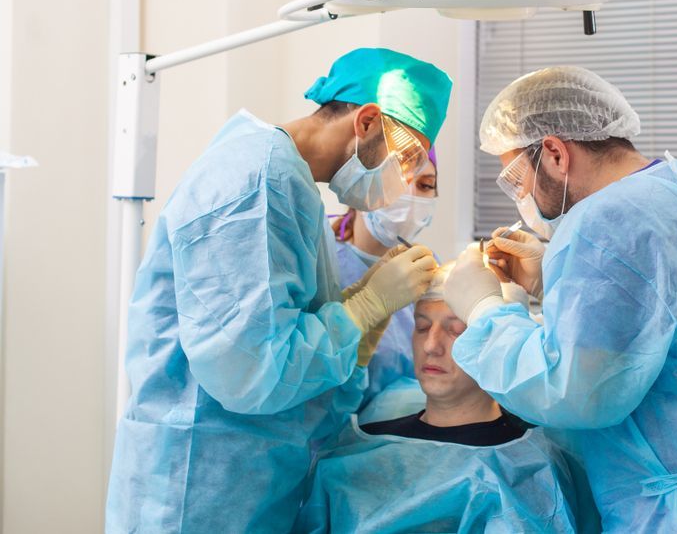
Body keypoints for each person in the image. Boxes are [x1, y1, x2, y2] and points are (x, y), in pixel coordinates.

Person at [443, 66, 677, 533]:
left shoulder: (606, 222)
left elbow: (572, 391)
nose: (519, 194)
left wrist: (487, 312)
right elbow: (664, 319)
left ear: (555, 153)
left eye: (515, 175)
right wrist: (550, 283)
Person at [106, 48, 451, 533]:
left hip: (247, 480)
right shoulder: (255, 182)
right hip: (198, 484)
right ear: (368, 121)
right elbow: (249, 370)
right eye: (408, 156)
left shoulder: (288, 184)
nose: (405, 180)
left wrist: (361, 319)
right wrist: (365, 306)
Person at [293, 264, 599, 534]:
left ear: (497, 344)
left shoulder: (532, 467)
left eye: (456, 330)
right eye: (422, 326)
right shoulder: (355, 449)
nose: (431, 345)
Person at [329, 147, 439, 405]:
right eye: (396, 182)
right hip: (333, 437)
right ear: (358, 186)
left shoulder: (428, 270)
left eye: (425, 185)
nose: (410, 197)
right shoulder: (322, 262)